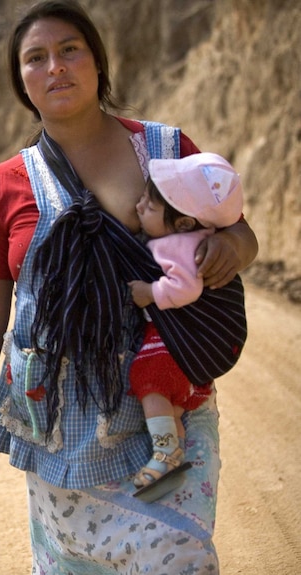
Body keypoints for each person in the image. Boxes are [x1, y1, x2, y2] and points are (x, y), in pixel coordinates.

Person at [0, 0, 258, 572]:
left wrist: (229, 248)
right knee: (79, 563)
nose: (55, 67)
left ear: (97, 62)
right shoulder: (6, 185)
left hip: (163, 416)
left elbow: (239, 230)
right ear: (22, 81)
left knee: (174, 555)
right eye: (35, 58)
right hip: (58, 428)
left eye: (70, 50)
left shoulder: (167, 153)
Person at [127, 153, 244, 498]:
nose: (139, 204)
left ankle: (164, 452)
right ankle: (171, 453)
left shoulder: (178, 247)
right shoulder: (193, 238)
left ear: (181, 224)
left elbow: (186, 288)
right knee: (169, 400)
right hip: (189, 352)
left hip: (171, 345)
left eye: (149, 204)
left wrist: (150, 293)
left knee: (148, 381)